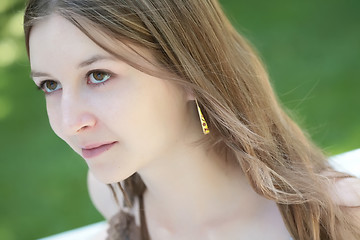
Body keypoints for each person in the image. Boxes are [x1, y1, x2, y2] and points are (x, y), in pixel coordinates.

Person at [23, 0, 360, 239]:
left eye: (98, 75)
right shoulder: (112, 196)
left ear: (188, 73)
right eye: (50, 85)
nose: (69, 123)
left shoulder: (335, 217)